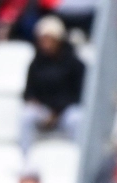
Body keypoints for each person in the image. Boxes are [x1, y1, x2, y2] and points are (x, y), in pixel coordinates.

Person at [19, 16, 84, 152]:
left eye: (49, 39)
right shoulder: (36, 64)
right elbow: (29, 91)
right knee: (26, 115)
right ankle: (26, 162)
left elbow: (78, 94)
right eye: (42, 40)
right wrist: (33, 101)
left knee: (77, 118)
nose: (45, 44)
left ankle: (78, 155)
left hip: (65, 111)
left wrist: (56, 112)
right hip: (44, 111)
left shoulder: (74, 64)